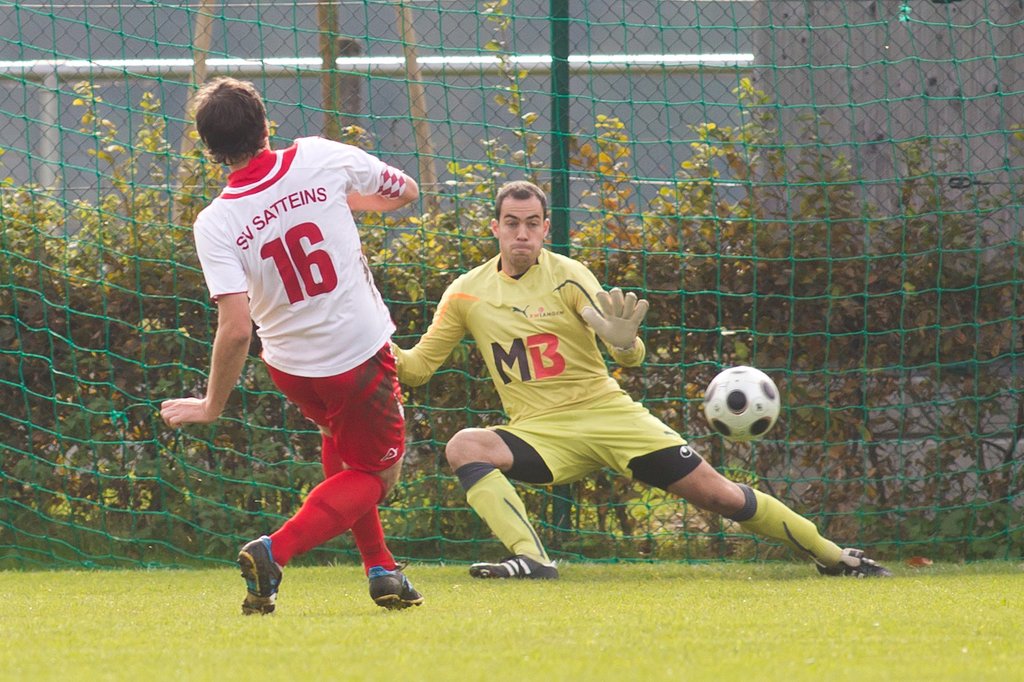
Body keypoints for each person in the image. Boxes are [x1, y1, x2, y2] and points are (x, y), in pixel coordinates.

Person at [391, 180, 891, 580]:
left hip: (609, 416)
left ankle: (834, 556)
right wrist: (371, 339)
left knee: (719, 495)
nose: (522, 233)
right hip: (541, 433)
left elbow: (623, 349)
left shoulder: (568, 274)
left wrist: (625, 341)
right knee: (466, 445)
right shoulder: (466, 292)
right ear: (495, 227)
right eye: (512, 223)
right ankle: (533, 559)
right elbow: (416, 369)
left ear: (546, 228)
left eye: (532, 223)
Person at [160, 77, 425, 614]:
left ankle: (381, 569)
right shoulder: (319, 157)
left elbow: (237, 328)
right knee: (378, 475)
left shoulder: (214, 222)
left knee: (340, 444)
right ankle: (274, 551)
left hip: (292, 368)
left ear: (210, 150)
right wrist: (342, 201)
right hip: (356, 356)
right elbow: (406, 191)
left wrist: (212, 405)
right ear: (266, 125)